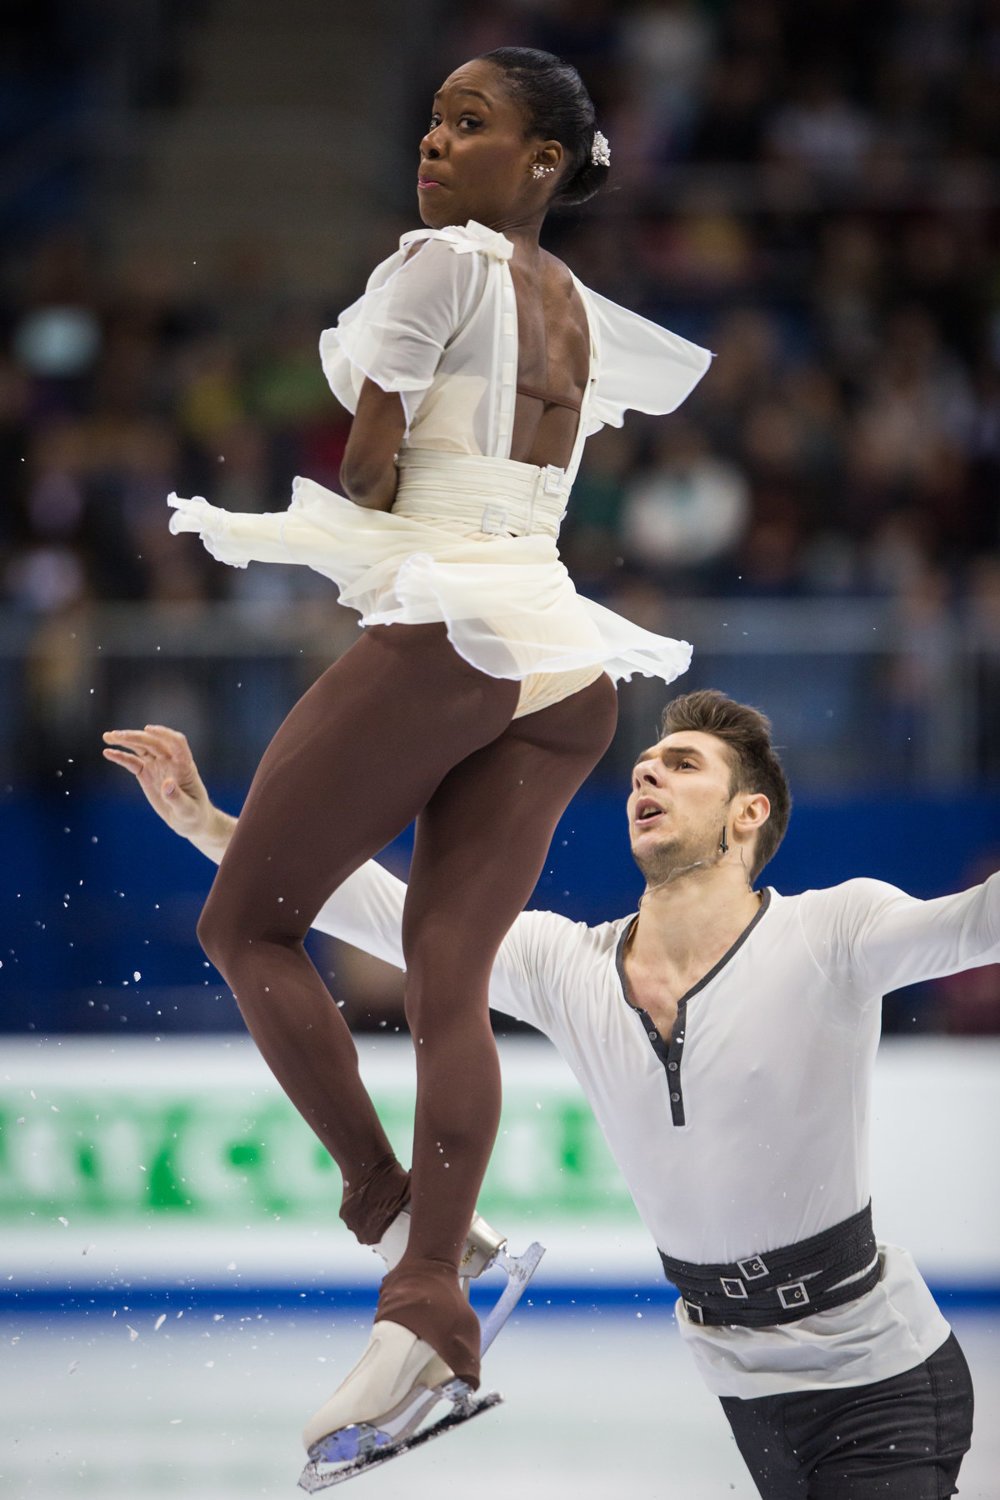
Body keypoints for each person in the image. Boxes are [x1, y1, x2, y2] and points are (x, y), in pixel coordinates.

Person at [155, 48, 711, 1451]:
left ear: (540, 164)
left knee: (244, 929)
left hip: (459, 626)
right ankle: (431, 1310)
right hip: (564, 658)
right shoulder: (574, 303)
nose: (436, 140)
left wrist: (369, 427)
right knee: (449, 988)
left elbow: (368, 474)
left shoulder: (437, 262)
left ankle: (394, 1212)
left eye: (475, 123)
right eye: (435, 116)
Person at [104, 689, 990, 1499]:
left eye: (685, 765)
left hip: (881, 1376)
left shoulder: (833, 932)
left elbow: (973, 921)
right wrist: (211, 826)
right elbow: (384, 910)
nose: (649, 770)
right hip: (744, 1387)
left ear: (747, 814)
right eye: (647, 762)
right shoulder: (568, 966)